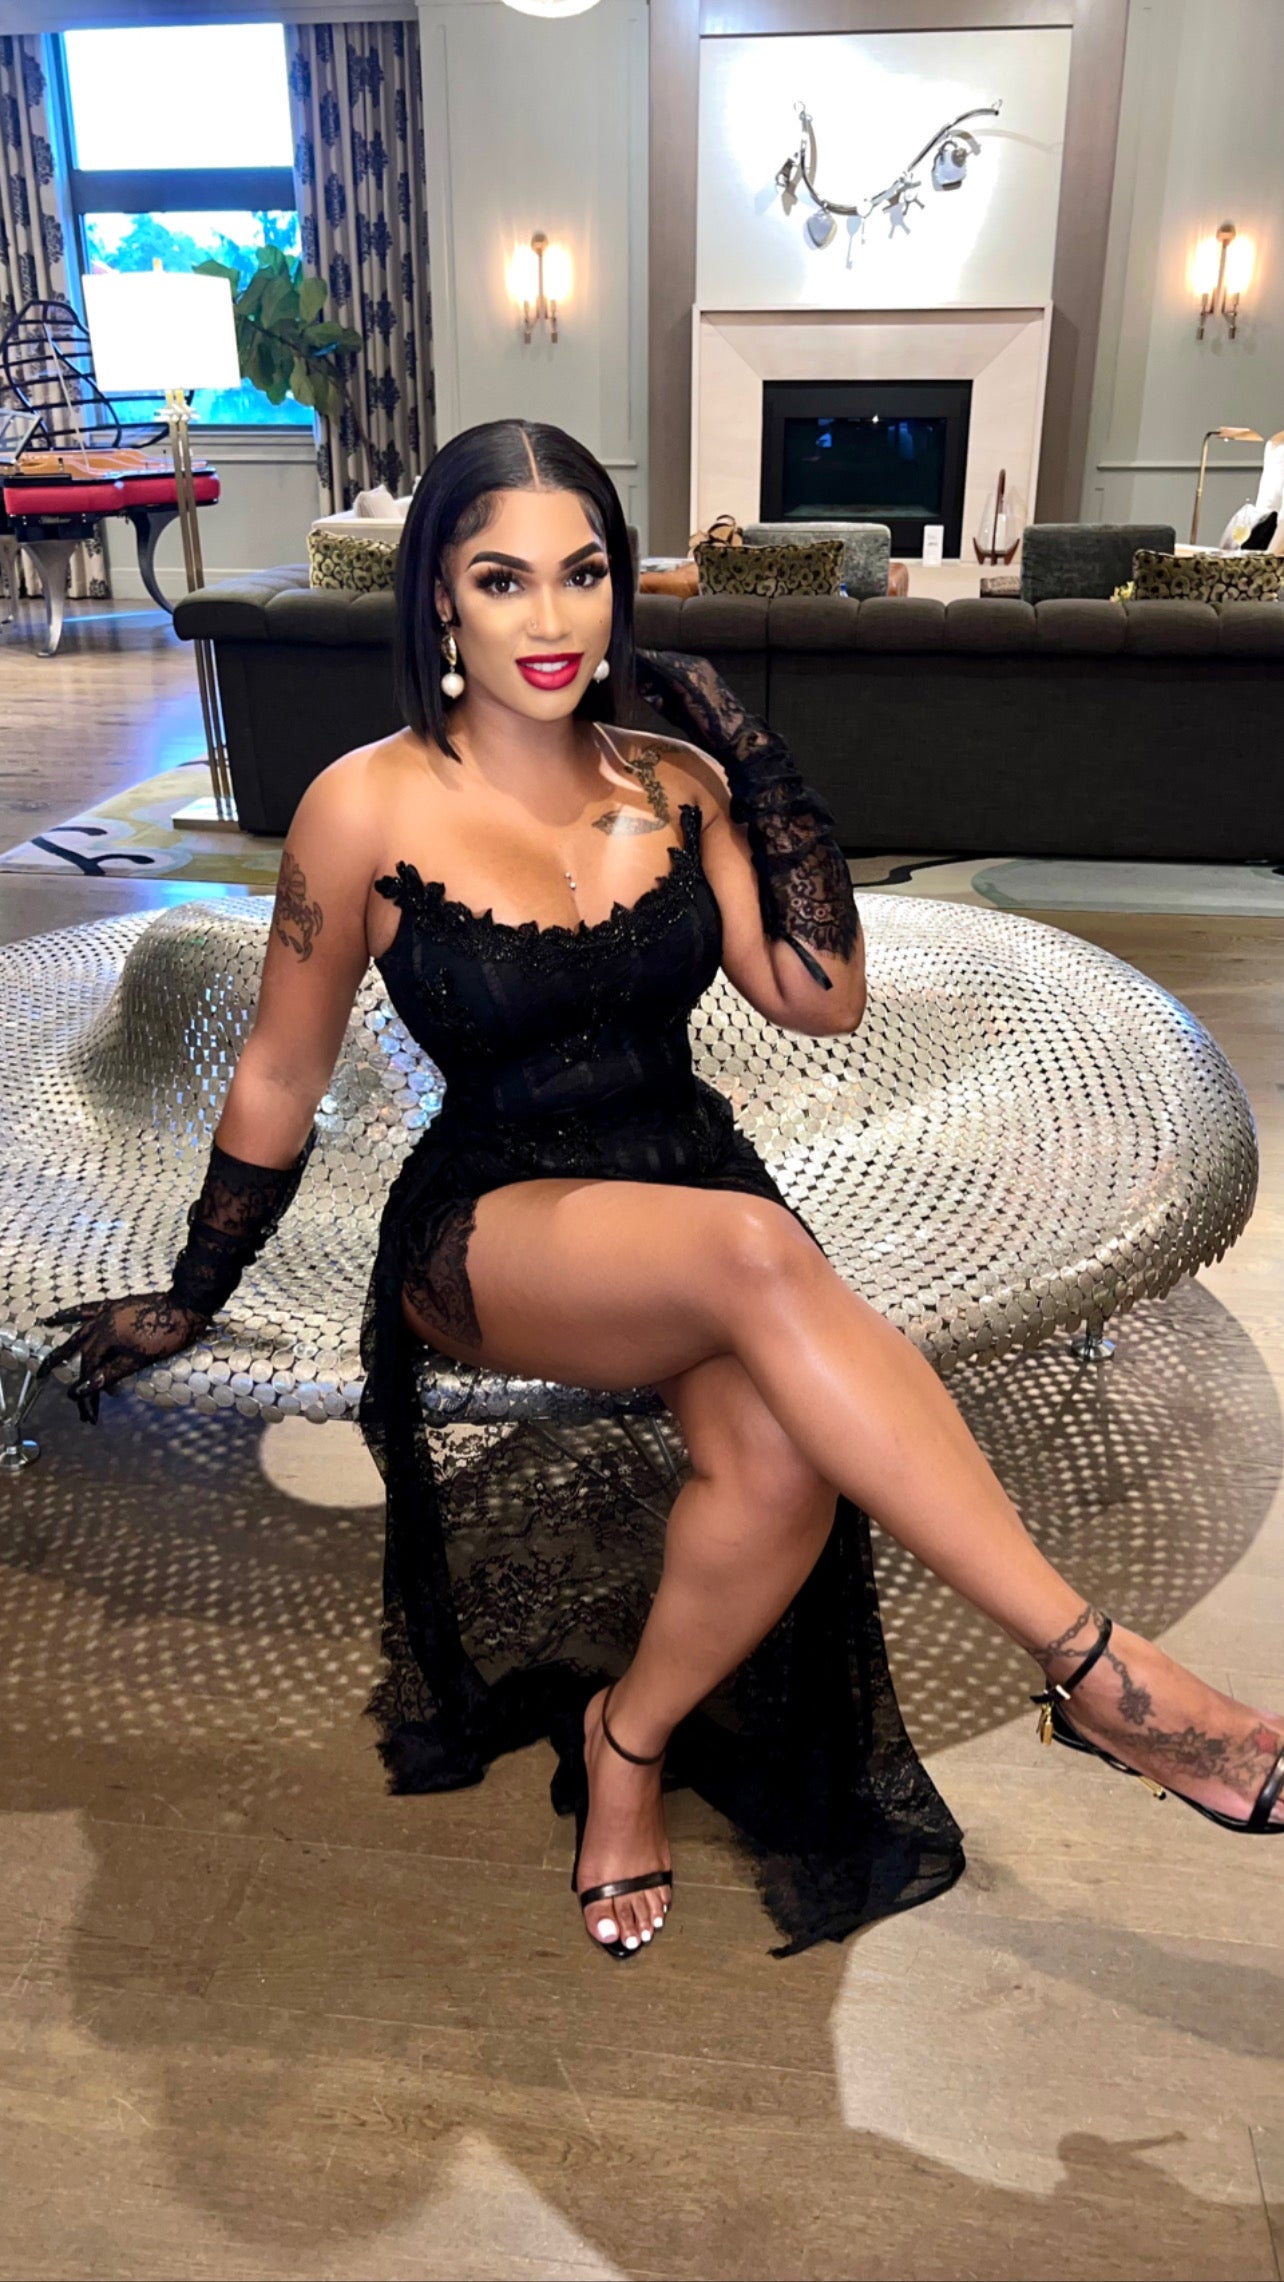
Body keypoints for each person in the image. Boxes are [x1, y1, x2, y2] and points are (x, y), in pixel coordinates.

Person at [37, 420, 1284, 1968]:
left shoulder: (675, 782)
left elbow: (820, 998)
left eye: (584, 574)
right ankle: (1098, 1671)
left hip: (687, 1189)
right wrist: (194, 1290)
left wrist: (750, 758)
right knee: (759, 1251)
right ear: (439, 597)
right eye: (503, 579)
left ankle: (626, 1741)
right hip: (490, 1219)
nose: (552, 618)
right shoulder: (361, 805)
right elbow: (281, 1074)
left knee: (777, 1465)